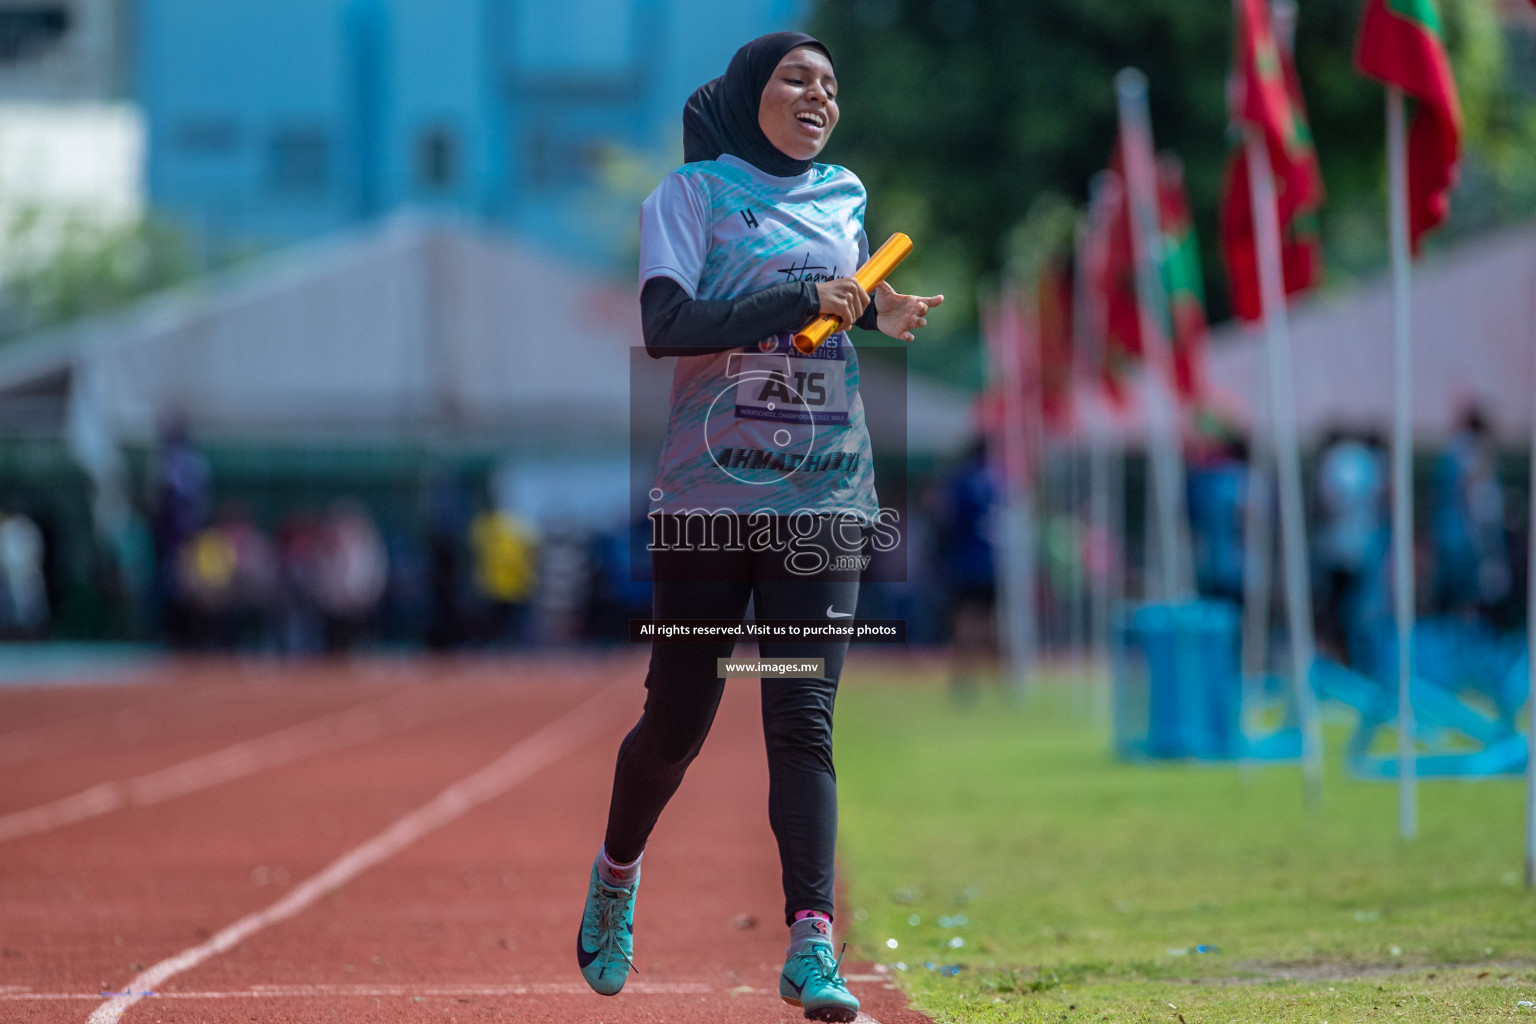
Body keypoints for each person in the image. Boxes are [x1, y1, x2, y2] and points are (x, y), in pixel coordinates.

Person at [576, 32, 941, 1023]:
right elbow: (668, 326)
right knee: (678, 722)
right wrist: (798, 298)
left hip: (822, 493)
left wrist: (875, 309)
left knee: (802, 719)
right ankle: (617, 873)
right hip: (708, 497)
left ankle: (813, 946)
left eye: (830, 82)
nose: (818, 94)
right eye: (797, 79)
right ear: (751, 94)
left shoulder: (845, 194)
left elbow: (833, 300)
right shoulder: (688, 197)